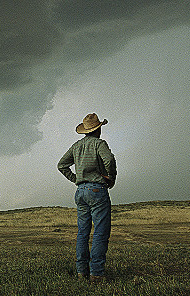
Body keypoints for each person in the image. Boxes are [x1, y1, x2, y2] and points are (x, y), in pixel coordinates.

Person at [57, 113, 117, 283]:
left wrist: (76, 179)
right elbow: (110, 161)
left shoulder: (76, 146)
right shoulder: (100, 144)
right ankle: (96, 273)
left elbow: (61, 165)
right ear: (98, 129)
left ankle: (81, 272)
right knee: (100, 231)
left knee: (83, 232)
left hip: (81, 191)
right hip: (97, 190)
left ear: (85, 131)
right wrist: (110, 177)